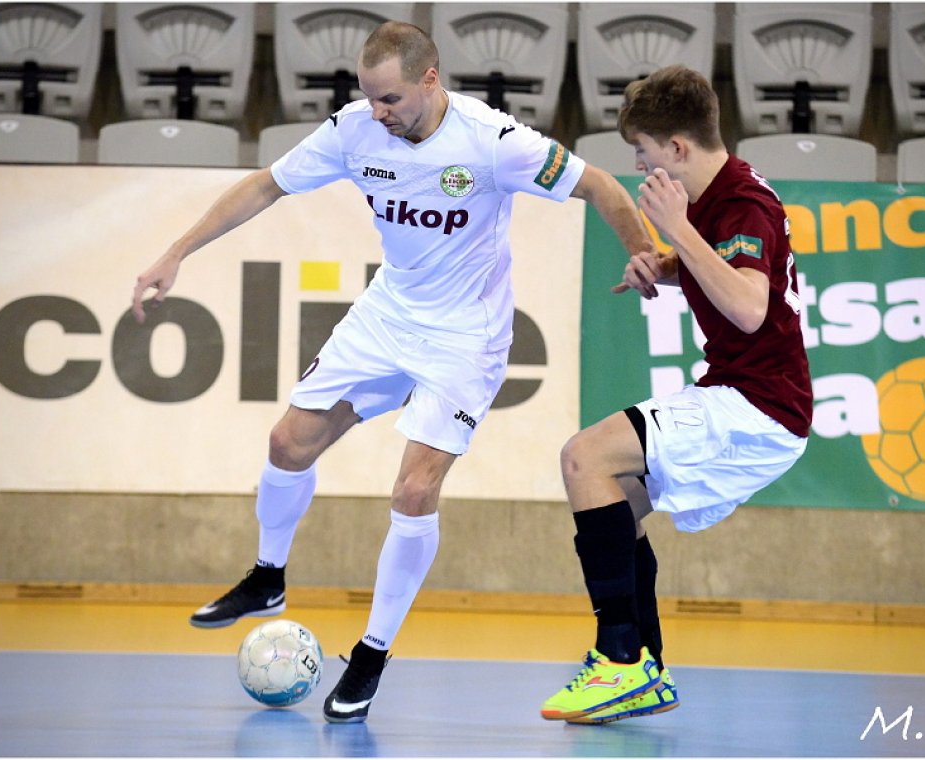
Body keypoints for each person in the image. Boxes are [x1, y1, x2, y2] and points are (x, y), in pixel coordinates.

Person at [131, 22, 659, 724]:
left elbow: (603, 188)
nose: (378, 112)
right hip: (387, 315)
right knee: (287, 443)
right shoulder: (355, 130)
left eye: (391, 99)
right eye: (369, 98)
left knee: (413, 491)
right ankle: (267, 577)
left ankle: (372, 655)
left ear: (430, 80)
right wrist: (176, 253)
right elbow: (265, 186)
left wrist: (645, 253)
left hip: (465, 338)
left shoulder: (494, 142)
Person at [540, 65, 813, 725]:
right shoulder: (722, 192)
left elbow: (749, 307)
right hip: (746, 396)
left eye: (643, 152)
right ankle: (646, 667)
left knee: (584, 457)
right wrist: (663, 265)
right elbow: (729, 267)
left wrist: (676, 231)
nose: (639, 166)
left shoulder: (742, 204)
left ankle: (620, 660)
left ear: (678, 148)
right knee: (615, 499)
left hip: (757, 405)